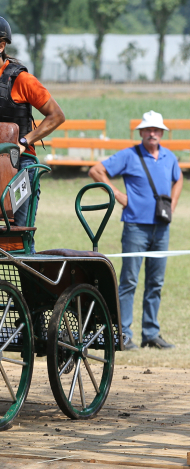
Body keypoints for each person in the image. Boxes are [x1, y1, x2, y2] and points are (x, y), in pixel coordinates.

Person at [0, 14, 65, 247]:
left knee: (19, 235)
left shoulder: (23, 80)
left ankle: (25, 255)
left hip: (21, 166)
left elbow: (56, 116)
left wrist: (25, 141)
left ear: (1, 45)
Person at [88, 111, 183, 350]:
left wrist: (173, 204)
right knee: (129, 280)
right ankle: (124, 333)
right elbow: (96, 171)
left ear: (162, 133)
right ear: (141, 132)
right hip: (135, 228)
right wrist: (118, 195)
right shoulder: (129, 155)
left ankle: (151, 334)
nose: (152, 133)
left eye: (156, 129)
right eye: (148, 129)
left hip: (161, 229)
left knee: (156, 282)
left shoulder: (169, 157)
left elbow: (179, 178)